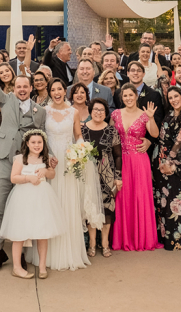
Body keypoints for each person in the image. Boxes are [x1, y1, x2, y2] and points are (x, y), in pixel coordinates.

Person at [0, 43, 48, 272]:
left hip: (27, 167)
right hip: (3, 160)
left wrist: (49, 161)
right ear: (14, 88)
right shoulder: (6, 100)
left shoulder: (41, 112)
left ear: (30, 88)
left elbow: (43, 139)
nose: (21, 89)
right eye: (18, 86)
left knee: (26, 208)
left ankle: (25, 254)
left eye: (25, 86)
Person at [32, 77, 91, 269]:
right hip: (48, 161)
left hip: (68, 162)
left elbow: (78, 135)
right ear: (49, 92)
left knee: (67, 204)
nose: (57, 92)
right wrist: (46, 155)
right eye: (53, 89)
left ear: (65, 91)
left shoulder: (73, 112)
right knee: (48, 204)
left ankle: (68, 252)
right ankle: (45, 255)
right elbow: (39, 134)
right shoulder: (44, 111)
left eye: (60, 89)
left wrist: (80, 149)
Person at [0, 129, 62, 279]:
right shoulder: (20, 159)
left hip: (42, 198)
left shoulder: (46, 158)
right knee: (19, 233)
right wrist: (28, 178)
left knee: (42, 232)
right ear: (27, 143)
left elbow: (52, 174)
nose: (36, 145)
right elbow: (14, 178)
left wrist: (46, 172)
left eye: (39, 142)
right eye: (33, 142)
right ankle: (17, 267)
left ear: (43, 143)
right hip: (23, 198)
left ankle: (42, 266)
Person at [110, 83, 159, 252]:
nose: (128, 98)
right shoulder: (116, 114)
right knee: (122, 197)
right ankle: (122, 237)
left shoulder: (144, 115)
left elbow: (154, 134)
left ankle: (141, 237)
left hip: (139, 161)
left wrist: (151, 118)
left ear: (136, 96)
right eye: (125, 96)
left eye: (131, 95)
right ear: (121, 98)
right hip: (120, 160)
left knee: (139, 196)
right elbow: (110, 135)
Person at [153, 86, 181, 251]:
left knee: (175, 201)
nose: (173, 100)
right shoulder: (169, 115)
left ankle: (176, 240)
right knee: (162, 200)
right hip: (160, 162)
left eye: (176, 96)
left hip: (175, 164)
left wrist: (169, 162)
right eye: (170, 98)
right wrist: (160, 161)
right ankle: (164, 237)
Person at [81, 98, 119, 257]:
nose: (98, 112)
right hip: (87, 174)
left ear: (106, 113)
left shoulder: (111, 130)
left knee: (107, 209)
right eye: (95, 109)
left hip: (107, 174)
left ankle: (105, 243)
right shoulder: (83, 130)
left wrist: (118, 177)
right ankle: (92, 243)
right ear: (90, 111)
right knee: (90, 207)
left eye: (102, 110)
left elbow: (118, 155)